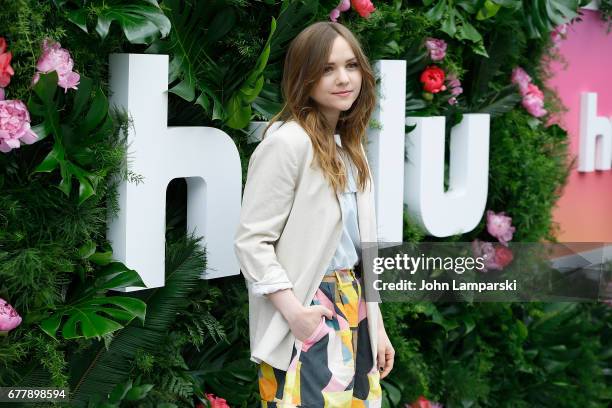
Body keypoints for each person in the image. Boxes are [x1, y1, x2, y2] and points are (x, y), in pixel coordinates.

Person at [234, 21, 394, 407]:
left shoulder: (351, 148)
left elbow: (361, 250)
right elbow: (252, 242)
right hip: (309, 307)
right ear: (304, 77)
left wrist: (378, 325)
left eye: (351, 66)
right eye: (327, 69)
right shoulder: (286, 144)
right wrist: (295, 314)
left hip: (353, 307)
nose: (343, 78)